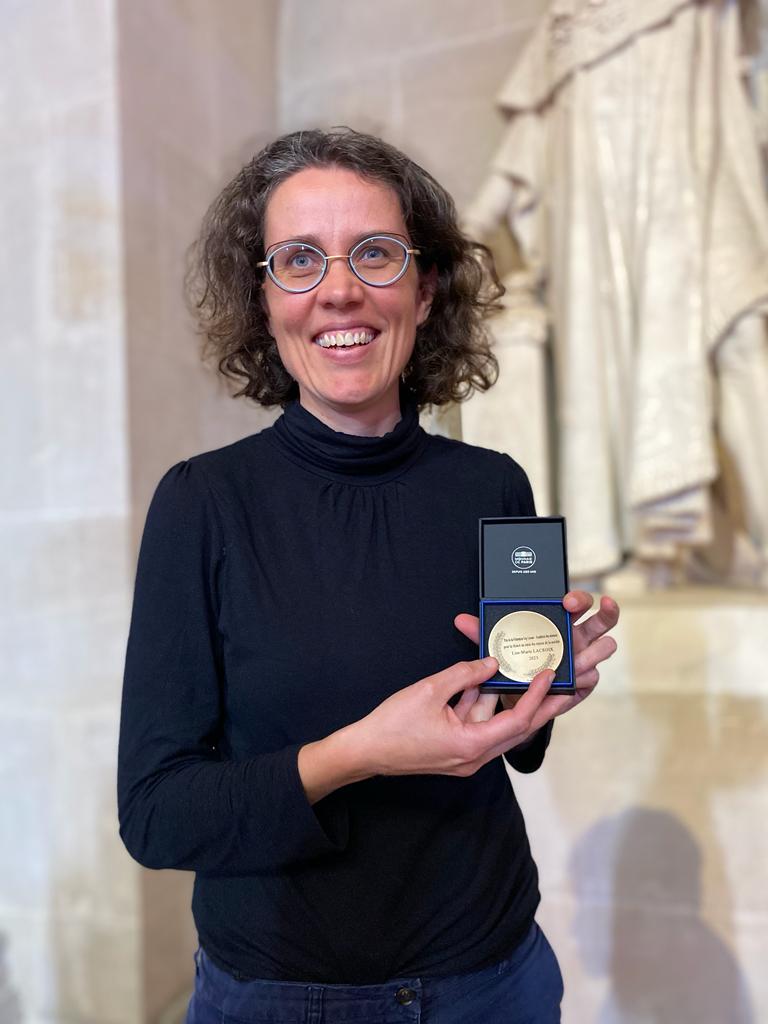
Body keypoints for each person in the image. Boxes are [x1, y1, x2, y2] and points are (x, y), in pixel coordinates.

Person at [117, 127, 619, 1024]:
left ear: (425, 291)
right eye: (299, 259)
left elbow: (519, 742)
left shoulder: (491, 483)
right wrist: (361, 754)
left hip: (494, 980)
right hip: (279, 995)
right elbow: (157, 815)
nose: (339, 288)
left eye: (376, 254)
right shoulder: (203, 503)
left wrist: (545, 685)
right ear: (265, 299)